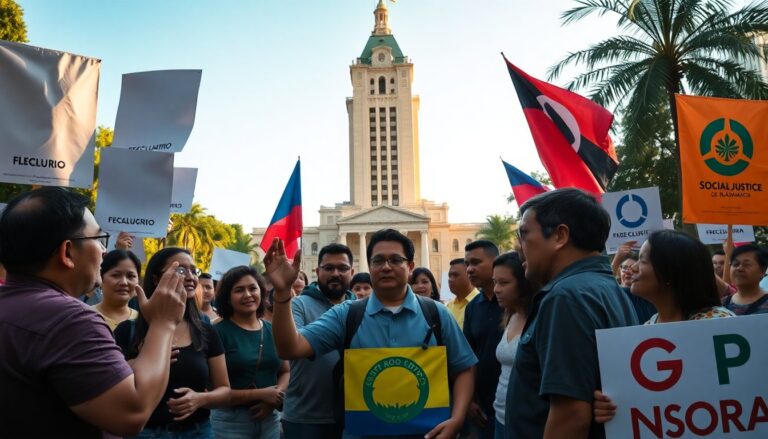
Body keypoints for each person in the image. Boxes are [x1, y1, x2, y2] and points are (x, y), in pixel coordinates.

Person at [0, 187, 187, 437]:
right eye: (99, 240)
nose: (104, 251)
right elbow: (132, 413)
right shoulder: (69, 320)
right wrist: (163, 324)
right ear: (67, 252)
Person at [265, 230, 477, 438]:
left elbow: (464, 368)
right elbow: (289, 348)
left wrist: (457, 420)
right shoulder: (346, 314)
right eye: (378, 261)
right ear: (369, 266)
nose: (386, 267)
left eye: (395, 260)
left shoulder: (436, 313)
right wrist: (283, 292)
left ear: (410, 266)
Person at [506, 188, 638, 439]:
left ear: (559, 235)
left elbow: (571, 416)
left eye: (524, 234)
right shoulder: (608, 288)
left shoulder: (565, 298)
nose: (519, 247)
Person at [593, 230, 735, 424]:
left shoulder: (719, 324)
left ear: (669, 272)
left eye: (642, 261)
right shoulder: (645, 329)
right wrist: (611, 405)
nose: (632, 268)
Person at [114, 247, 230, 438]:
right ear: (156, 279)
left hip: (198, 432)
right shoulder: (128, 330)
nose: (191, 276)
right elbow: (110, 386)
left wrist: (200, 399)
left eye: (193, 270)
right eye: (181, 270)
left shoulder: (206, 331)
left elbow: (225, 391)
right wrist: (145, 360)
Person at [281, 243, 356, 439]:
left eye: (342, 268)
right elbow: (289, 346)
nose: (336, 273)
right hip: (306, 417)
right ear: (317, 271)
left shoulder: (360, 309)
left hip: (354, 414)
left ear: (352, 272)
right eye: (329, 268)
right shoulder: (299, 305)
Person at [212, 266, 289, 439]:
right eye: (239, 290)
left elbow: (286, 371)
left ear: (261, 293)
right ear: (228, 298)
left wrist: (275, 398)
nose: (248, 295)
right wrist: (262, 394)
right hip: (229, 421)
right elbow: (213, 390)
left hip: (270, 419)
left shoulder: (273, 330)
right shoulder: (216, 332)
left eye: (253, 288)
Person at [491, 252, 533, 439]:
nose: (496, 289)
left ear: (523, 283)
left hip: (526, 423)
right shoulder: (510, 315)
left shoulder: (540, 318)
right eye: (495, 282)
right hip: (500, 417)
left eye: (504, 283)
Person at [463, 240, 502, 439]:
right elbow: (467, 357)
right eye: (467, 263)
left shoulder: (517, 302)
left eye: (476, 262)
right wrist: (468, 401)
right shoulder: (473, 308)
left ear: (496, 262)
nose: (469, 269)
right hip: (482, 409)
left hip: (514, 405)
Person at [93, 249, 141, 331]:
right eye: (116, 275)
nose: (124, 282)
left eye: (130, 276)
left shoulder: (143, 321)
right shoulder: (85, 317)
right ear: (101, 277)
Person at [722, 244, 768, 315]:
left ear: (762, 270)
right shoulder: (722, 304)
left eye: (747, 264)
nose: (739, 268)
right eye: (735, 264)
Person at [445, 258, 479, 329]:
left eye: (455, 275)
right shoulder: (448, 306)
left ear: (469, 275)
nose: (450, 279)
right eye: (449, 276)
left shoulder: (480, 303)